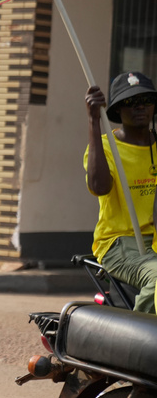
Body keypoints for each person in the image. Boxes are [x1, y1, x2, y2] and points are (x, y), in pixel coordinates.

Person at [85, 71, 157, 314]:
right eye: (130, 101)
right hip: (118, 243)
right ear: (117, 110)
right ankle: (142, 344)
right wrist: (94, 122)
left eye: (146, 100)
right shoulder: (105, 147)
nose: (139, 106)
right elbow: (99, 187)